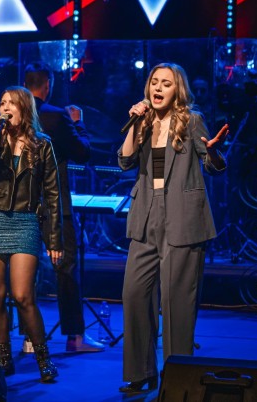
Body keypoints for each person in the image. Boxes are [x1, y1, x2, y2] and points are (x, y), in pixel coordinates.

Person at [118, 63, 229, 393]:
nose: (158, 88)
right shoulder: (143, 121)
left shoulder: (191, 120)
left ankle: (178, 377)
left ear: (177, 89)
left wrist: (214, 152)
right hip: (145, 213)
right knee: (134, 293)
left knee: (177, 301)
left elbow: (212, 165)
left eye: (166, 83)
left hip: (182, 214)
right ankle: (141, 372)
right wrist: (134, 123)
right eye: (154, 82)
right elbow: (124, 161)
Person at [0, 86, 63, 382]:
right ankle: (4, 358)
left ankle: (43, 359)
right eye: (2, 103)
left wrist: (54, 238)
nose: (5, 108)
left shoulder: (42, 145)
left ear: (24, 108)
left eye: (11, 103)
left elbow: (53, 195)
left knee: (24, 295)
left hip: (25, 221)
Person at [23, 62, 105, 353]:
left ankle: (29, 338)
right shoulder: (57, 116)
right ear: (48, 85)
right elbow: (83, 153)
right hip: (56, 205)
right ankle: (75, 338)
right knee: (66, 269)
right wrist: (78, 122)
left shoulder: (15, 115)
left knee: (25, 271)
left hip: (22, 206)